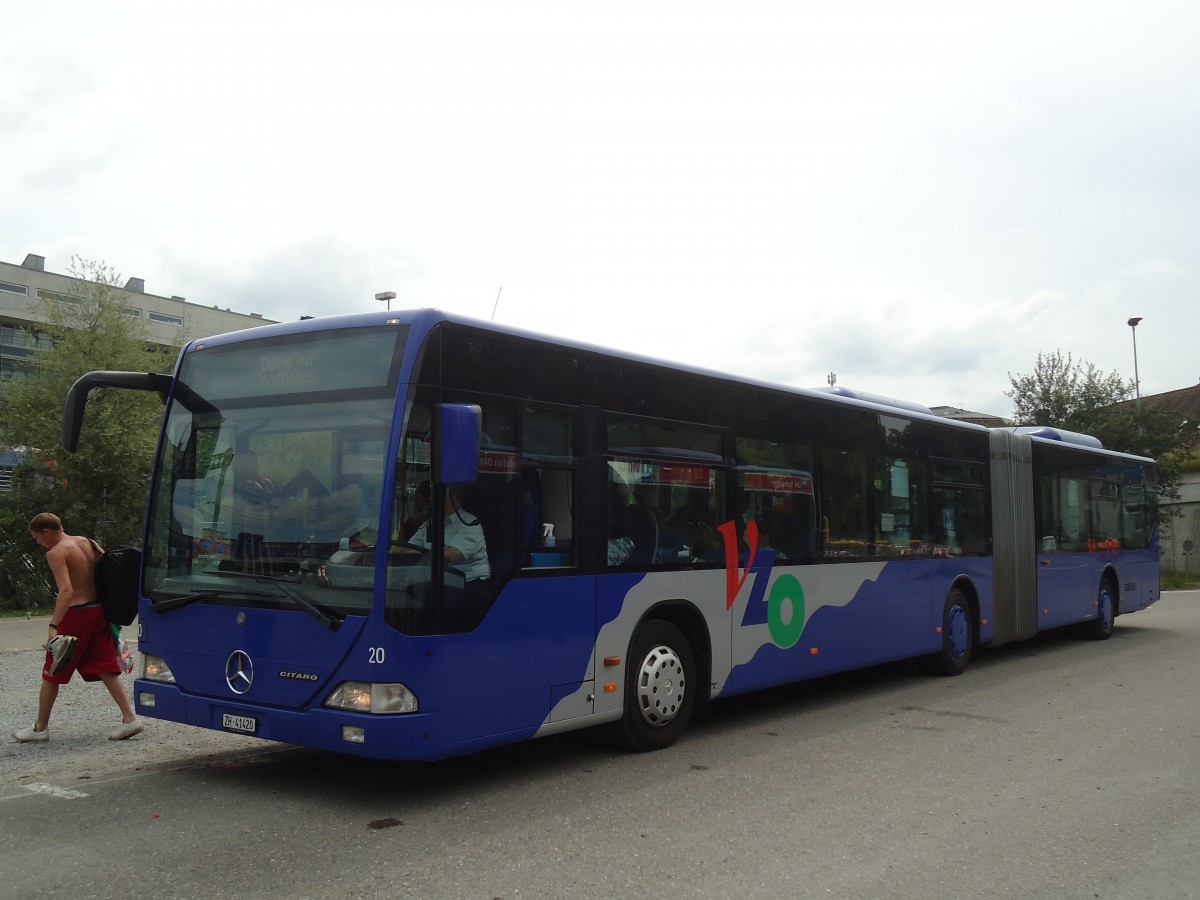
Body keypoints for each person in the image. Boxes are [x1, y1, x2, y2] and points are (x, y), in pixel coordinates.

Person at [12, 513, 143, 743]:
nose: (38, 542)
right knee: (104, 665)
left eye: (37, 537)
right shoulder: (86, 542)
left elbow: (66, 591)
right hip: (98, 611)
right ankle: (130, 718)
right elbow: (111, 569)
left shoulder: (56, 552)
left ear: (47, 532)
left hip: (77, 613)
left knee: (53, 669)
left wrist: (53, 624)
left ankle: (40, 728)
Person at [392, 486, 490, 582]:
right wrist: (396, 551)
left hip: (470, 582)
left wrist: (421, 553)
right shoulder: (430, 522)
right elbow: (412, 547)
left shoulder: (469, 522)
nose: (430, 498)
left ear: (450, 498)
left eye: (434, 494)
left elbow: (454, 554)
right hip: (443, 578)